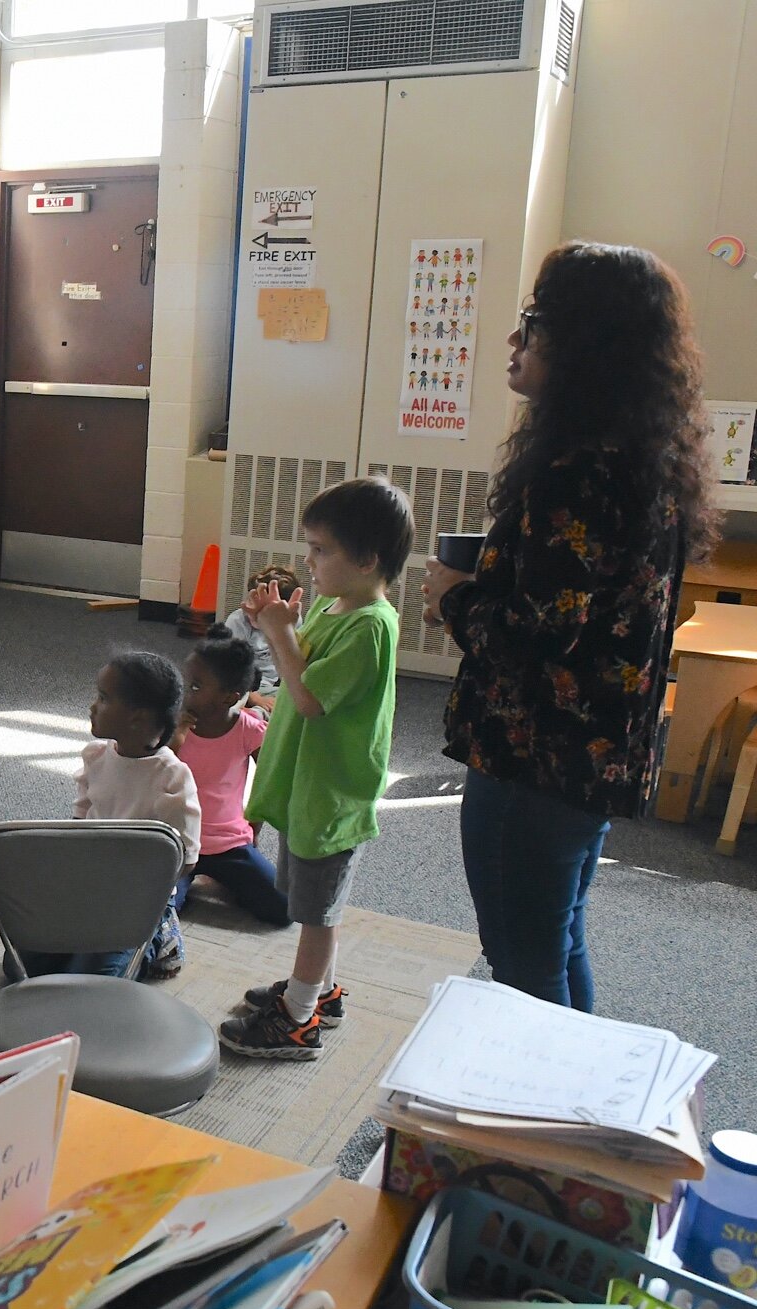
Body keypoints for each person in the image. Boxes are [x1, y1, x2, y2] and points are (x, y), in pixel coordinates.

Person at [422, 243, 715, 1011]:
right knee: (557, 936)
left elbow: (536, 636)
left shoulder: (574, 471)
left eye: (534, 324)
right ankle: (571, 1109)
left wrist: (454, 596)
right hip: (592, 756)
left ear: (585, 344)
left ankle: (543, 1120)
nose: (516, 342)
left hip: (536, 757)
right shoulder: (642, 461)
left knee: (522, 955)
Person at [225, 475, 410, 1060]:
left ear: (367, 559)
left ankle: (299, 1017)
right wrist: (277, 629)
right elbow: (304, 661)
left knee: (315, 913)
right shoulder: (338, 606)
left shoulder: (370, 625)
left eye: (321, 550)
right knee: (308, 898)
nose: (309, 562)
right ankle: (319, 991)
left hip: (334, 790)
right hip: (313, 784)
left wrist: (279, 634)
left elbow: (307, 696)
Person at [9, 651, 199, 982]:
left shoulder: (170, 777)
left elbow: (186, 858)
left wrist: (140, 888)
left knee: (93, 986)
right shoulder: (97, 757)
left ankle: (160, 937)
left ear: (137, 718)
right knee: (21, 968)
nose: (92, 706)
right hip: (90, 888)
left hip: (136, 905)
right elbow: (79, 822)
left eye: (104, 698)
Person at [174, 626, 289, 927]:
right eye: (186, 683)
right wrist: (173, 742)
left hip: (229, 843)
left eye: (196, 687)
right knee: (161, 910)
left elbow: (270, 779)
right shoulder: (172, 729)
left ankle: (225, 878)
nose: (186, 693)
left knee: (283, 910)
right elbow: (148, 776)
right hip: (178, 842)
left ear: (229, 698)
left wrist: (254, 826)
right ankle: (194, 881)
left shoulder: (247, 730)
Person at [223, 563, 300, 714]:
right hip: (238, 687)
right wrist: (254, 698)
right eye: (251, 600)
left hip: (270, 686)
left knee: (293, 702)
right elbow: (228, 671)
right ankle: (252, 717)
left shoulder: (292, 620)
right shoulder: (238, 622)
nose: (251, 608)